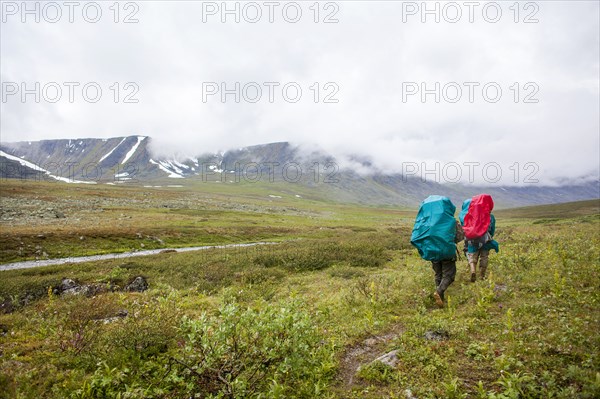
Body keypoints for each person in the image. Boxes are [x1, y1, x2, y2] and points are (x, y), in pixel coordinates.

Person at [459, 197, 499, 282]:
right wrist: (488, 237)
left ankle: (473, 271)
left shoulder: (469, 216)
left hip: (472, 240)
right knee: (484, 257)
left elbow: (464, 228)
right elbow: (492, 230)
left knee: (472, 256)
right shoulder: (490, 217)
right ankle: (481, 275)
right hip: (485, 240)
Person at [432, 220, 464, 307]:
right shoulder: (451, 221)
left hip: (433, 251)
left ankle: (440, 300)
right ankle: (439, 292)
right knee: (449, 276)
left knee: (438, 274)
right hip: (447, 251)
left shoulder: (431, 221)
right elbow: (460, 236)